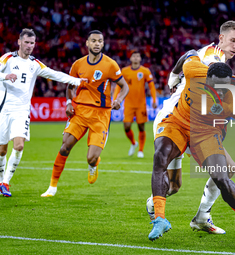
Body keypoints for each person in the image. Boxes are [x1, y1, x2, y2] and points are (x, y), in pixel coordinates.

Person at [148, 49, 235, 241]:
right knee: (160, 157)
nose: (220, 91)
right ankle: (160, 219)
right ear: (206, 78)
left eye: (224, 88)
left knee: (222, 178)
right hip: (178, 123)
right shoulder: (194, 69)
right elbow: (189, 53)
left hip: (206, 133)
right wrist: (173, 77)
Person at [0, 28, 87, 197]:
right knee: (2, 150)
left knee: (18, 145)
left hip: (22, 111)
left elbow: (55, 75)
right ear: (19, 42)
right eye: (26, 42)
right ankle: (1, 180)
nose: (29, 46)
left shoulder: (35, 64)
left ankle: (6, 183)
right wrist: (5, 76)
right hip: (4, 109)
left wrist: (77, 81)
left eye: (32, 43)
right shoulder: (7, 59)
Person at [41, 30, 129, 197]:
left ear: (103, 44)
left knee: (91, 157)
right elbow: (70, 86)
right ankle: (52, 187)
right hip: (80, 111)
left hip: (100, 115)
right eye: (93, 41)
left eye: (100, 41)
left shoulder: (110, 65)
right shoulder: (78, 64)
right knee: (65, 146)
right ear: (87, 43)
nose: (97, 44)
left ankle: (93, 164)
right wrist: (68, 102)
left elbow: (124, 86)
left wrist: (118, 100)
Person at [113, 51, 157, 158]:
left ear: (140, 59)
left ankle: (140, 150)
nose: (136, 58)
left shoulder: (145, 71)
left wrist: (154, 100)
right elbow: (119, 86)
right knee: (126, 126)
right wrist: (115, 99)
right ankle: (133, 143)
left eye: (138, 56)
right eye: (134, 56)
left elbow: (151, 86)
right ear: (131, 59)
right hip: (128, 103)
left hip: (141, 104)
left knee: (141, 127)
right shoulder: (124, 71)